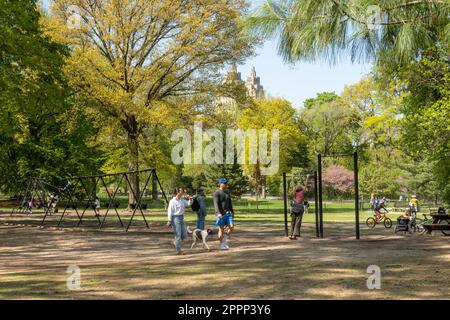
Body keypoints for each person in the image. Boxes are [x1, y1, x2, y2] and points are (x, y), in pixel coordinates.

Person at [167, 188, 192, 255]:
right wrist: (169, 220)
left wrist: (190, 200)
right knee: (178, 235)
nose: (182, 192)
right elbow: (170, 211)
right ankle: (179, 250)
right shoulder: (172, 201)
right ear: (177, 192)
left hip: (181, 218)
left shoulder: (182, 200)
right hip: (175, 218)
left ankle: (176, 242)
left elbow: (188, 204)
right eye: (181, 191)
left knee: (184, 234)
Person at [213, 178, 234, 250]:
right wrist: (218, 213)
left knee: (231, 227)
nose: (225, 184)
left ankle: (225, 238)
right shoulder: (216, 193)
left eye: (226, 183)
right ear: (220, 184)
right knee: (221, 229)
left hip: (228, 213)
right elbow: (215, 204)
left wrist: (232, 211)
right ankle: (222, 244)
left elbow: (230, 202)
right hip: (220, 214)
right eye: (224, 183)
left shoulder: (227, 192)